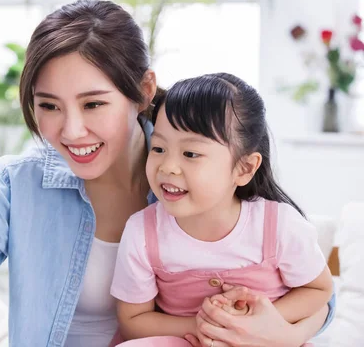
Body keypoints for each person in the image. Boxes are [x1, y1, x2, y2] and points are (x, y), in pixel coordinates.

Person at [0, 0, 335, 347]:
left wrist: (272, 332)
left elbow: (312, 294)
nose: (71, 130)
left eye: (93, 104)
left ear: (143, 92)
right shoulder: (18, 182)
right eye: (49, 106)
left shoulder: (199, 175)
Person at [110, 73, 334, 347]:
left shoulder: (279, 225)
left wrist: (256, 323)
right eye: (158, 148)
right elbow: (133, 320)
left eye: (190, 154)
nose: (167, 167)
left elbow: (320, 289)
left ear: (244, 168)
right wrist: (208, 325)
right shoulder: (142, 232)